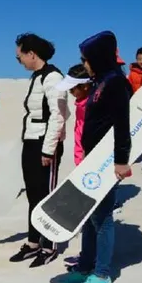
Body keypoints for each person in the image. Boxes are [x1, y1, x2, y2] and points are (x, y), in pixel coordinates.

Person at [53, 30, 132, 283]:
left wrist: (121, 160)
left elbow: (122, 125)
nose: (84, 63)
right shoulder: (100, 81)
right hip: (90, 161)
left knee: (103, 218)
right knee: (87, 216)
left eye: (86, 59)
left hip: (106, 163)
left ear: (98, 57)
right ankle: (85, 266)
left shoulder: (115, 83)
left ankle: (102, 273)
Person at [10, 33, 69, 267]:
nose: (19, 61)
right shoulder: (37, 77)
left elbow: (59, 115)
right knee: (33, 195)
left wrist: (48, 150)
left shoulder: (53, 77)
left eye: (19, 57)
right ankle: (34, 242)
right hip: (31, 141)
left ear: (31, 54)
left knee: (47, 195)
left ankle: (50, 245)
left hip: (46, 144)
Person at [52, 64, 92, 268]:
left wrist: (87, 161)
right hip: (82, 162)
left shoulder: (91, 104)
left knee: (95, 218)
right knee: (87, 217)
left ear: (85, 86)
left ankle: (93, 261)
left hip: (91, 165)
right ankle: (87, 255)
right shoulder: (81, 102)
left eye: (73, 88)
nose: (71, 93)